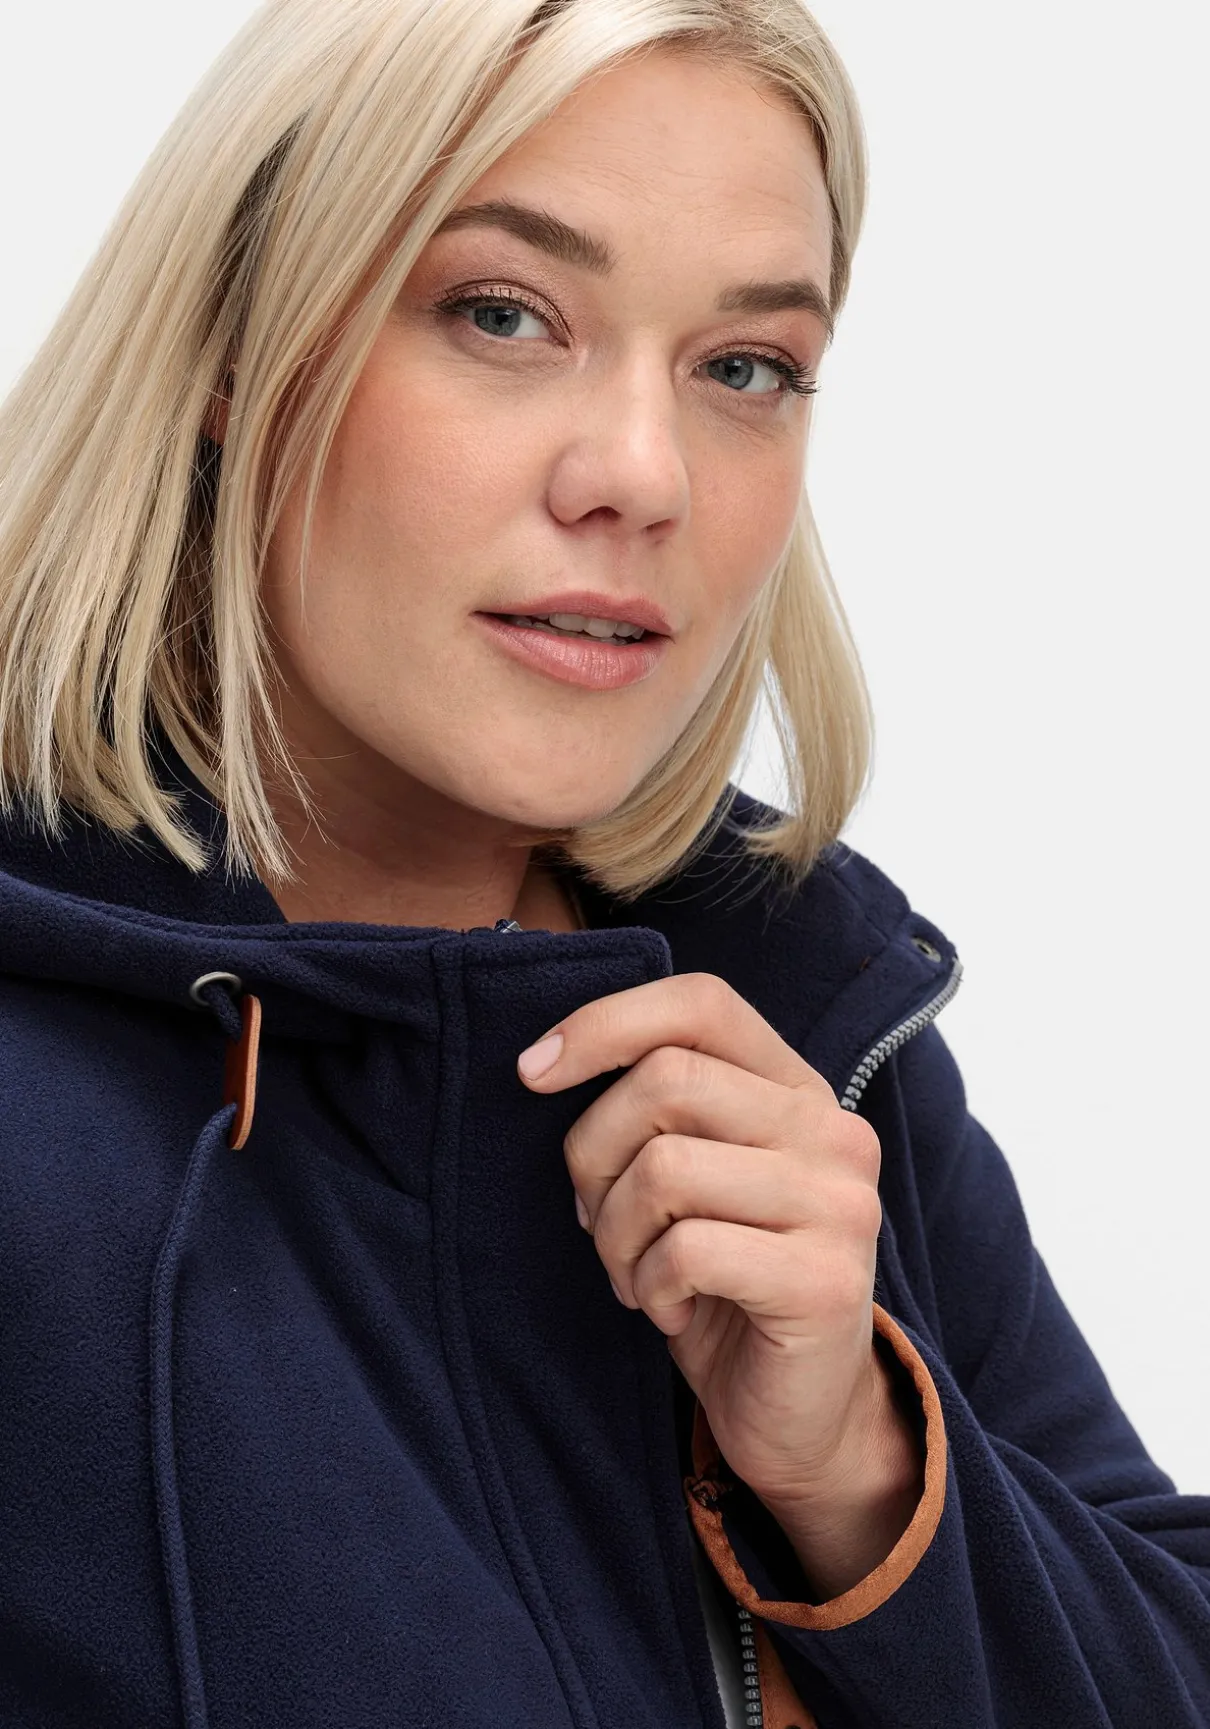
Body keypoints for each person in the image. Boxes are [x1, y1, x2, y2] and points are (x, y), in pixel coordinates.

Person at [0, 1, 1205, 1725]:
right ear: (228, 346)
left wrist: (859, 1467)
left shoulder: (806, 1016)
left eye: (745, 368)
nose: (641, 476)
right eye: (501, 314)